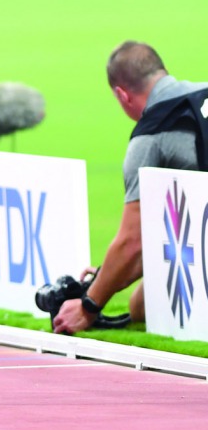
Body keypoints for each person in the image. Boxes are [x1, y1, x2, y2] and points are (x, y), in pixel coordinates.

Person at [53, 42, 207, 334]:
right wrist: (108, 276)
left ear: (122, 95)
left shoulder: (149, 137)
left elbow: (132, 243)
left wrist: (89, 305)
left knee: (142, 305)